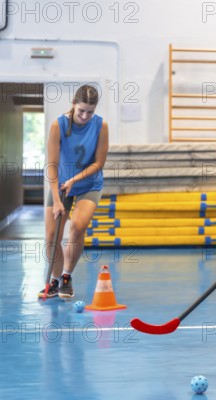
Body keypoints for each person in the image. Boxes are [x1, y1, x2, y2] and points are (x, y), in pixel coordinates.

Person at [38, 84, 109, 299]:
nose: (85, 116)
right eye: (81, 111)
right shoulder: (57, 125)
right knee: (52, 236)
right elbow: (51, 164)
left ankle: (67, 277)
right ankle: (55, 279)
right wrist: (58, 200)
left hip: (89, 184)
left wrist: (75, 179)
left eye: (90, 111)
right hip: (60, 185)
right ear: (73, 104)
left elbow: (99, 163)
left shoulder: (100, 125)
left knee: (77, 226)